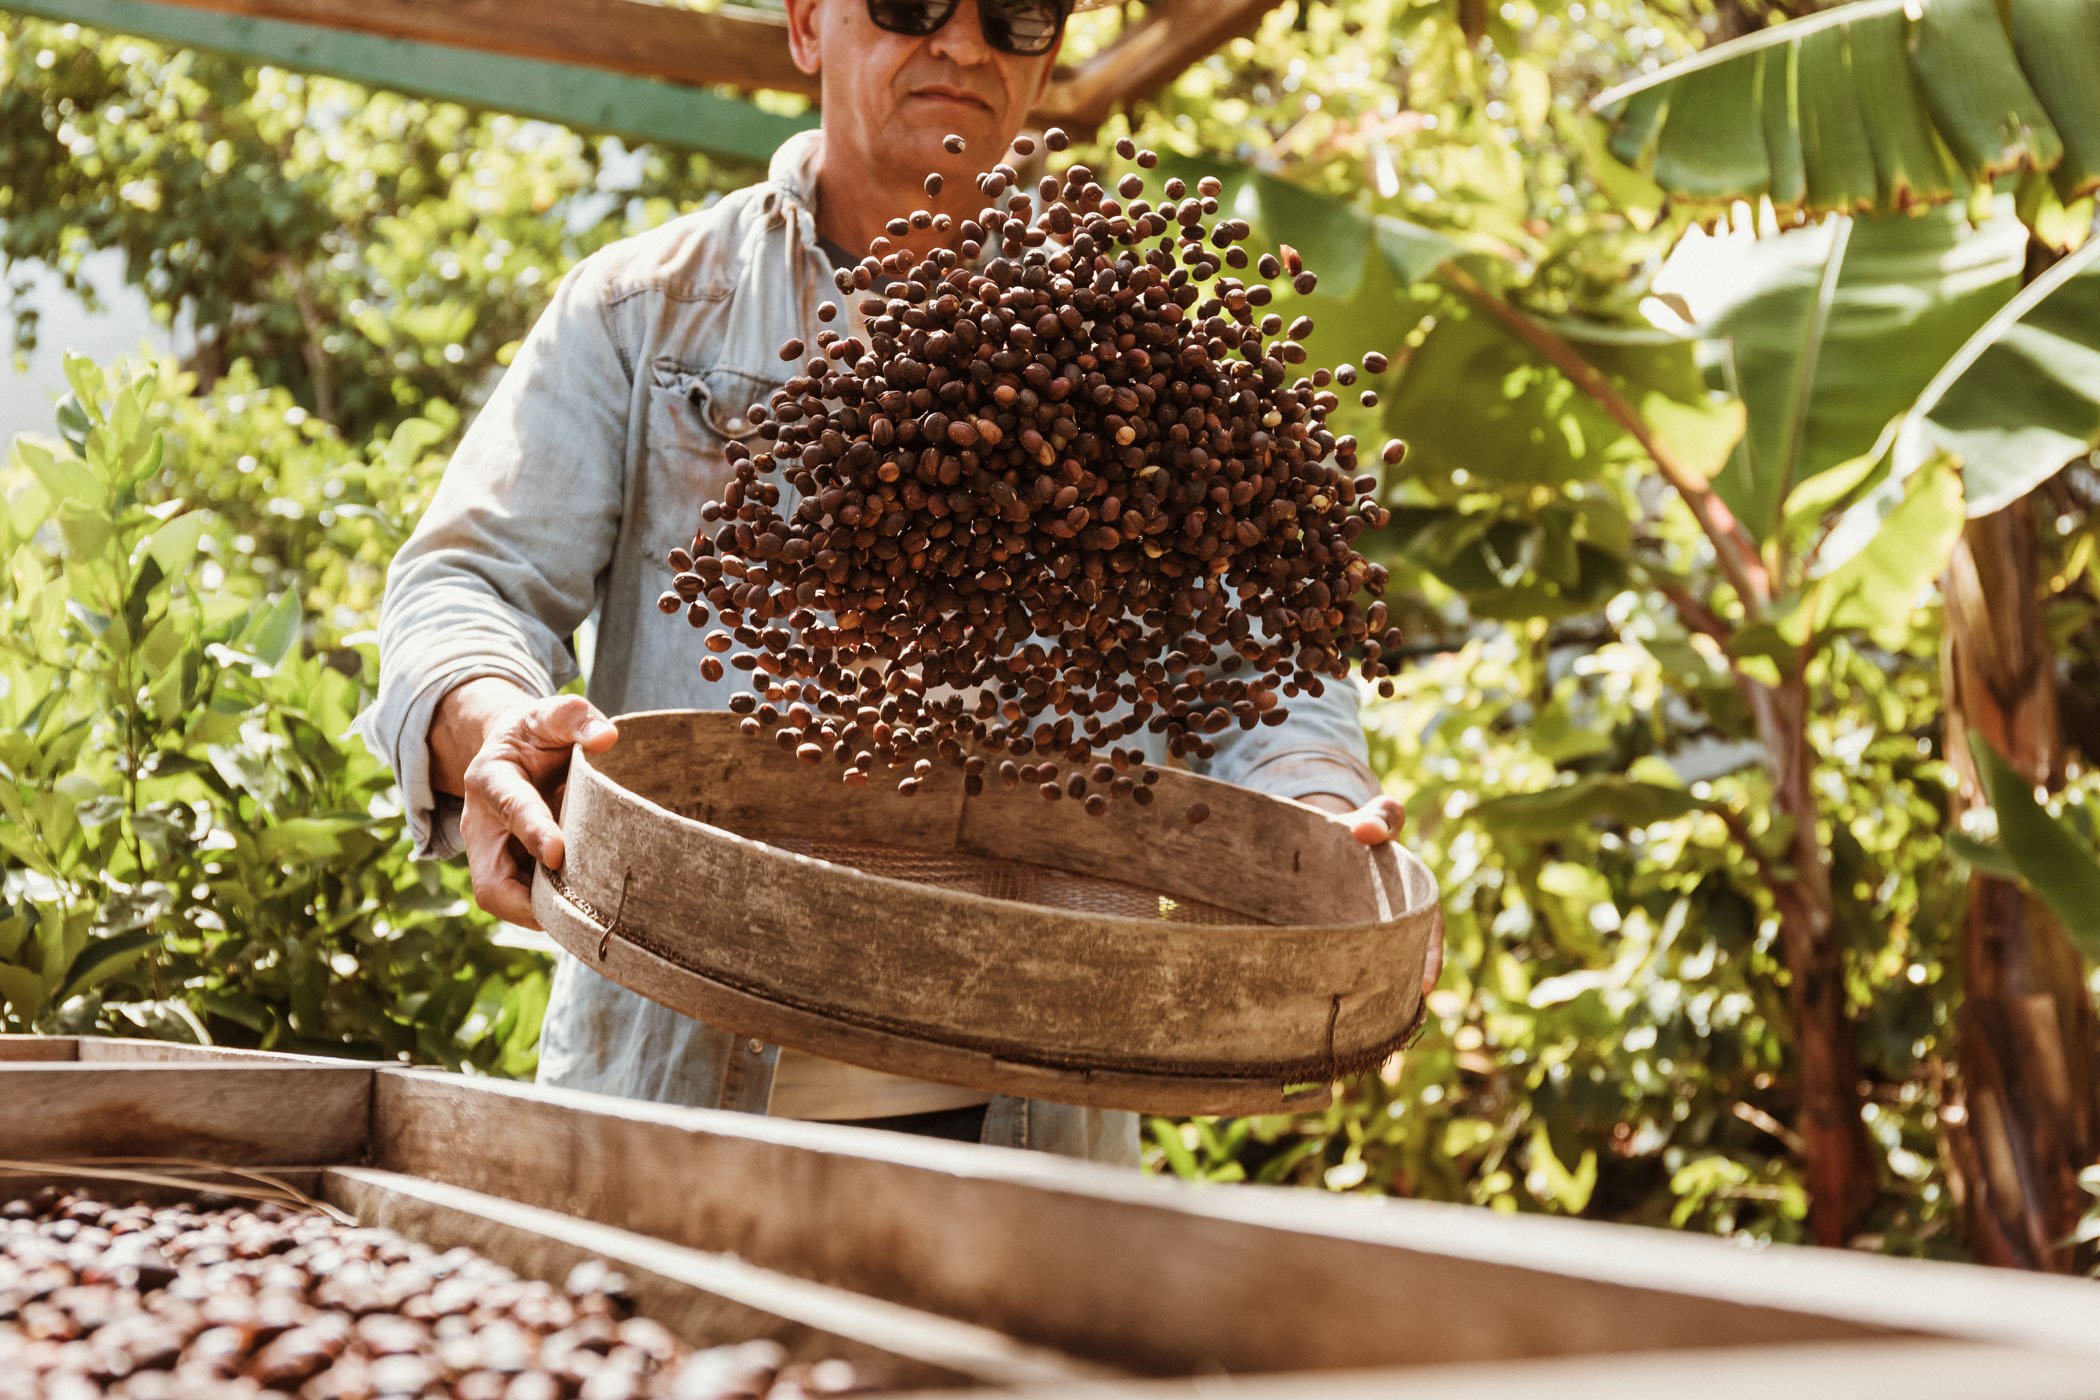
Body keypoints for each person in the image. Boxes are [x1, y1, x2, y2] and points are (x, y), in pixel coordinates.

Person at [360, 0, 1436, 1164]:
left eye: (1016, 14)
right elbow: (466, 583)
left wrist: (1324, 816)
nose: (965, 45)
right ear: (809, 25)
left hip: (1036, 1114)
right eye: (913, 3)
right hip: (678, 1092)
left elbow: (1269, 664)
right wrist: (490, 718)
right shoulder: (647, 311)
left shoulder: (1148, 350)